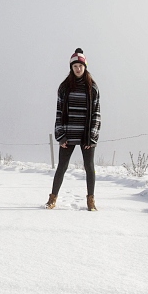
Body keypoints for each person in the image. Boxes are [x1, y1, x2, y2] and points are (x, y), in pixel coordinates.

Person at [46, 48, 101, 211]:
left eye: (80, 66)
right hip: (68, 134)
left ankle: (91, 201)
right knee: (62, 166)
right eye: (75, 66)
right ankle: (52, 198)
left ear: (85, 67)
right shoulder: (64, 87)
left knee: (89, 167)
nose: (78, 69)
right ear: (71, 68)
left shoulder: (93, 87)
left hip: (86, 135)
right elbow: (59, 112)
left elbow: (97, 113)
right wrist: (61, 135)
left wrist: (92, 136)